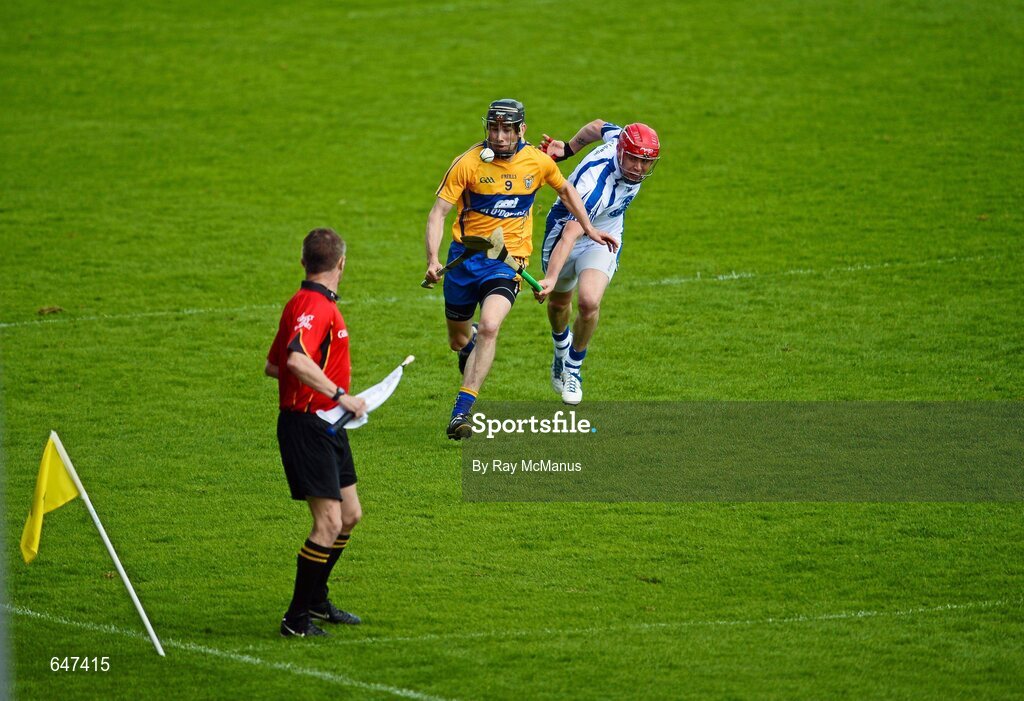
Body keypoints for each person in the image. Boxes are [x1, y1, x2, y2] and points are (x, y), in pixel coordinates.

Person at [424, 99, 617, 439]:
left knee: (489, 326)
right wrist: (433, 260)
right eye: (494, 128)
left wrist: (588, 228)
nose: (499, 137)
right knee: (458, 340)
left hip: (507, 263)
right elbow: (438, 213)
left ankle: (461, 413)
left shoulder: (537, 163)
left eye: (507, 130)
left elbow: (567, 190)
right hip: (465, 260)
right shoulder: (467, 164)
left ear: (521, 130)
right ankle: (468, 352)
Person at [265, 227, 368, 637]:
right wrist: (339, 393)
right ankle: (295, 618)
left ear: (303, 261)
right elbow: (293, 360)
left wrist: (327, 397)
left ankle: (317, 599)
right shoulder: (315, 307)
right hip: (308, 425)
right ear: (341, 263)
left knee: (350, 516)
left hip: (326, 424)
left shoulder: (301, 303)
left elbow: (274, 364)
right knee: (326, 524)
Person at [535, 121, 661, 405]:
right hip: (567, 229)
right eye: (634, 160)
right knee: (558, 305)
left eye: (646, 162)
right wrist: (552, 278)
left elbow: (596, 126)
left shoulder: (622, 138)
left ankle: (573, 368)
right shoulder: (596, 187)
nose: (639, 168)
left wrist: (568, 148)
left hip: (604, 235)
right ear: (620, 152)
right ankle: (560, 346)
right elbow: (571, 232)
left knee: (589, 302)